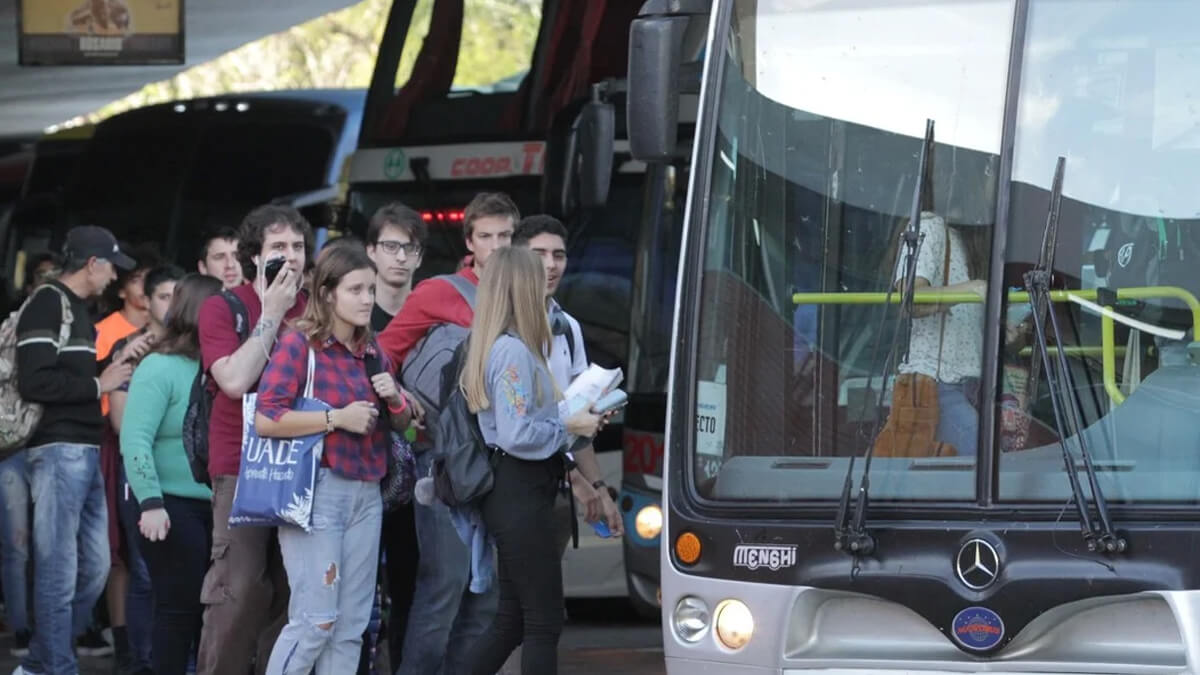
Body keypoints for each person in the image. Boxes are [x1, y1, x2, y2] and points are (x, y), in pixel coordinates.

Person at [255, 242, 416, 674]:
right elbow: (266, 420)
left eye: (370, 289)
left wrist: (396, 401)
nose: (367, 299)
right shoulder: (299, 345)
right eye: (356, 290)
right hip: (317, 492)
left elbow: (404, 428)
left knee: (350, 626)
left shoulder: (371, 350)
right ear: (327, 293)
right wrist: (334, 418)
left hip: (367, 493)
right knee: (315, 622)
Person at [377, 192, 519, 675]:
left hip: (502, 465)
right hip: (443, 461)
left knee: (486, 593)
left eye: (505, 236)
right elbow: (380, 353)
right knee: (445, 585)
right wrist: (399, 401)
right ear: (470, 241)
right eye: (487, 237)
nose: (496, 246)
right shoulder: (442, 291)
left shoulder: (527, 297)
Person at [461, 246, 603, 675]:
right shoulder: (513, 352)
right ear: (520, 288)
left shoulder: (506, 347)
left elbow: (518, 423)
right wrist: (570, 427)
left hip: (517, 490)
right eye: (536, 276)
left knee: (514, 619)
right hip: (520, 491)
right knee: (541, 621)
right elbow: (518, 433)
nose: (547, 279)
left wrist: (572, 418)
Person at [196, 204, 312, 675]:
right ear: (255, 256)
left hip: (302, 464)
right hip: (240, 466)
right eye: (279, 248)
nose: (291, 257)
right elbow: (235, 380)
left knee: (292, 595)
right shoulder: (222, 306)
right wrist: (273, 312)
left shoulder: (317, 305)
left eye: (299, 247)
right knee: (239, 589)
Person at [14, 225, 136, 675]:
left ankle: (44, 659)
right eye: (111, 268)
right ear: (92, 264)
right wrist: (97, 382)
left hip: (82, 450)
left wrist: (111, 366)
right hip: (57, 450)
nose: (115, 279)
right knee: (59, 569)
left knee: (95, 568)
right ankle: (56, 666)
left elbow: (67, 374)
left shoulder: (76, 310)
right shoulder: (47, 304)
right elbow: (35, 379)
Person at [119, 273, 222, 675]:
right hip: (166, 505)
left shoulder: (221, 367)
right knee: (178, 611)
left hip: (216, 504)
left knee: (207, 614)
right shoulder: (158, 367)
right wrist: (151, 502)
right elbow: (135, 439)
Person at [103, 263, 184, 675]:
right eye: (164, 296)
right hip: (140, 475)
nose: (172, 305)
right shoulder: (130, 349)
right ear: (146, 301)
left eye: (178, 296)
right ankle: (141, 663)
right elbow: (121, 424)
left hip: (186, 483)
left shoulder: (194, 348)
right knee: (145, 573)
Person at [362, 202, 426, 670]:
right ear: (371, 252)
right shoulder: (355, 318)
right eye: (390, 246)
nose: (400, 257)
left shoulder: (433, 316)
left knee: (411, 583)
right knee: (358, 590)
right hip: (362, 466)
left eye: (409, 248)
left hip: (418, 470)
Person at [890, 211, 989, 457]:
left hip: (971, 385)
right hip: (936, 383)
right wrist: (972, 288)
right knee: (985, 464)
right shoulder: (929, 226)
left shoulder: (966, 240)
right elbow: (910, 298)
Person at [0, 254, 60, 658]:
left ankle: (57, 630)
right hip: (13, 445)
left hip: (56, 444)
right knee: (18, 545)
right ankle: (23, 629)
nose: (49, 284)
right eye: (42, 278)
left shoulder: (74, 325)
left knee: (54, 545)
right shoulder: (12, 325)